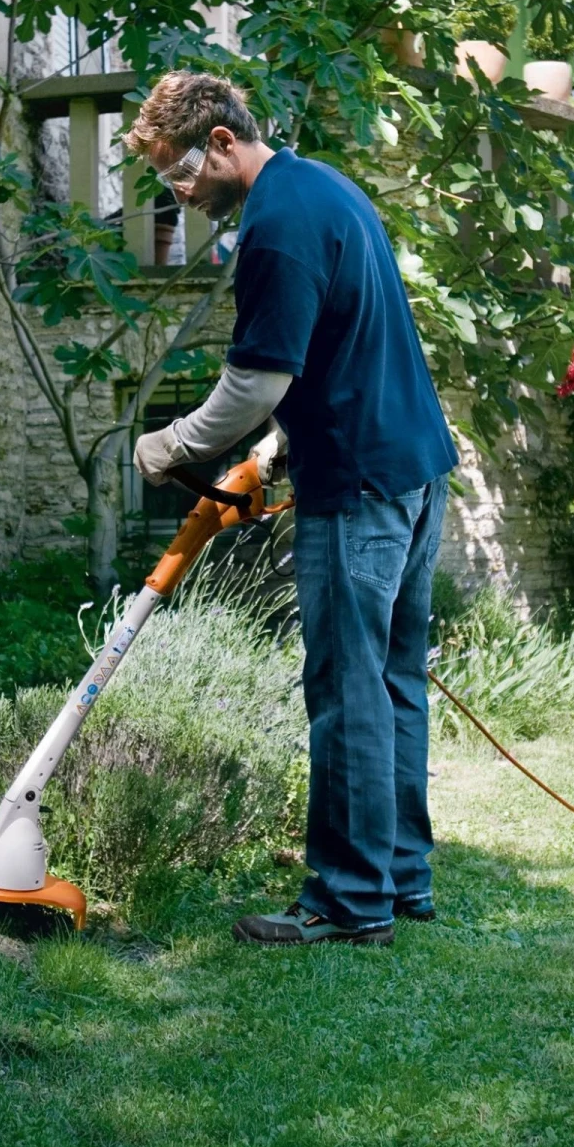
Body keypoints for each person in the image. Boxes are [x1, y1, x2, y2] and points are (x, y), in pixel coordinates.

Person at [123, 71, 457, 947]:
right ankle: (402, 879)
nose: (180, 194)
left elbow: (256, 380)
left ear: (225, 142)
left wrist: (175, 446)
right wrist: (275, 447)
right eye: (166, 183)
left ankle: (349, 901)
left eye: (181, 173)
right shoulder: (325, 188)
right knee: (393, 682)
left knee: (347, 691)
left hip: (358, 489)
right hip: (415, 470)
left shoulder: (271, 227)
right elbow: (342, 344)